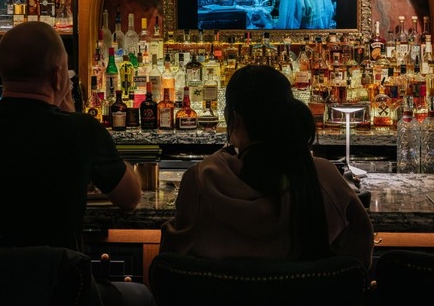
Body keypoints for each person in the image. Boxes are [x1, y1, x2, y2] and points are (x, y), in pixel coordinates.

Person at [0, 22, 152, 305]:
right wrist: (73, 115)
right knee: (140, 294)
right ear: (58, 75)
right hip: (60, 294)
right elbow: (131, 197)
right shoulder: (81, 130)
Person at [160, 65, 373, 269]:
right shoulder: (323, 177)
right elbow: (358, 260)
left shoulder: (202, 179)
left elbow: (170, 264)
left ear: (235, 118)